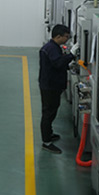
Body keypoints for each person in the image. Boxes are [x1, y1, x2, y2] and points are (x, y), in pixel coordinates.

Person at [39, 24, 76, 154]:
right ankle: (46, 142)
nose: (67, 39)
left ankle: (49, 134)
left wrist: (68, 66)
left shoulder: (53, 47)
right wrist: (71, 55)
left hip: (51, 85)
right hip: (50, 86)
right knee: (48, 113)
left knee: (52, 110)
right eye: (66, 37)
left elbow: (56, 64)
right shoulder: (51, 49)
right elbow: (58, 63)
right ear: (58, 36)